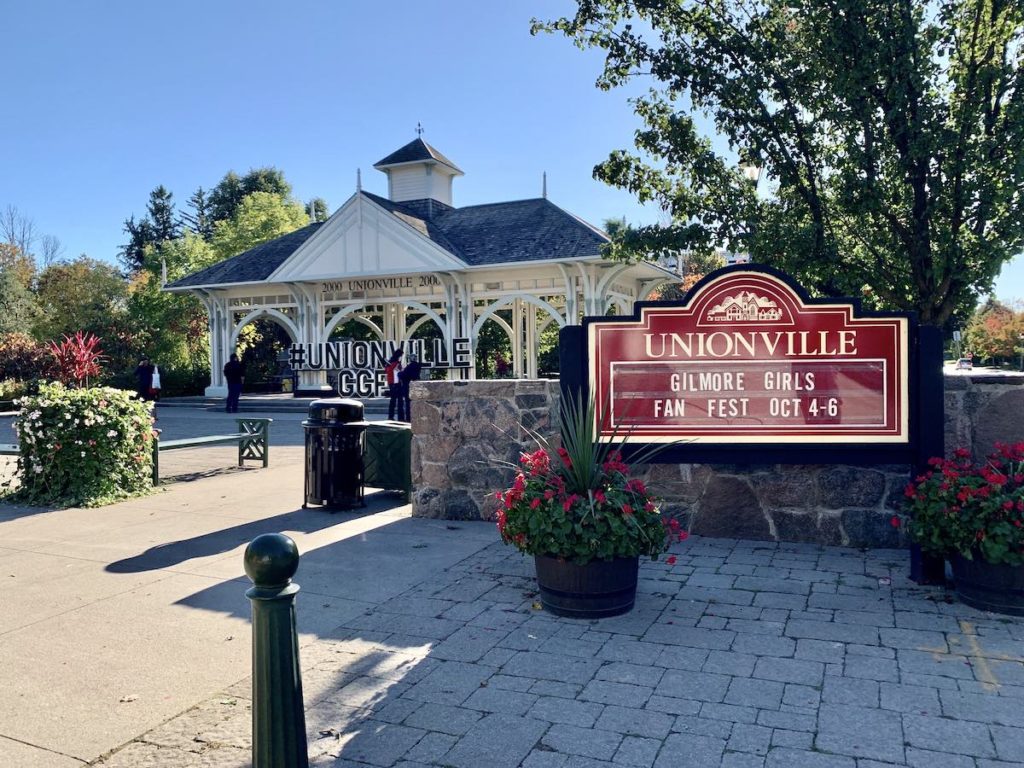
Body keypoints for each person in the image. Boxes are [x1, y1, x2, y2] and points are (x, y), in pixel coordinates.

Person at [398, 352, 423, 423]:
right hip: (416, 385)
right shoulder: (418, 366)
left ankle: (409, 418)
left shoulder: (410, 366)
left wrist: (400, 374)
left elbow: (404, 375)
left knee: (408, 403)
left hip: (408, 386)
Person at [384, 349, 405, 421]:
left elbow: (387, 371)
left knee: (394, 401)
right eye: (401, 355)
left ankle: (391, 416)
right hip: (395, 383)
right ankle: (400, 417)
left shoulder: (389, 363)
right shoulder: (395, 363)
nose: (401, 357)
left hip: (393, 383)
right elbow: (398, 372)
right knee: (399, 401)